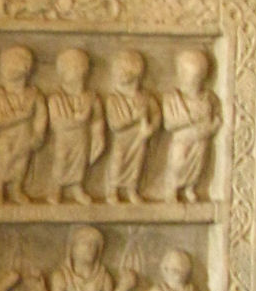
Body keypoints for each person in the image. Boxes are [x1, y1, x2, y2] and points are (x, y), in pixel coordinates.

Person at [0, 45, 48, 204]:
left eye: (13, 64)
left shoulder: (33, 95)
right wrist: (21, 116)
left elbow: (41, 116)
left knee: (21, 164)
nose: (8, 69)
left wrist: (38, 134)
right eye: (6, 64)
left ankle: (16, 189)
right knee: (3, 161)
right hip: (5, 138)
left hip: (25, 136)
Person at [46, 48, 105, 205]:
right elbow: (56, 122)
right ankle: (56, 188)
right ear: (63, 72)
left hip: (82, 137)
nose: (79, 71)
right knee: (61, 160)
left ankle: (76, 187)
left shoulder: (91, 97)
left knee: (80, 162)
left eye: (81, 67)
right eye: (73, 67)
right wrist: (79, 120)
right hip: (64, 138)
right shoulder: (56, 98)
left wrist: (99, 135)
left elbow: (98, 119)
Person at [162, 49, 221, 203]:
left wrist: (213, 125)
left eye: (197, 77)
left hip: (202, 138)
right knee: (178, 163)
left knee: (198, 165)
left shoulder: (208, 97)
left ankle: (190, 188)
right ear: (181, 74)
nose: (194, 81)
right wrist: (191, 119)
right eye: (190, 75)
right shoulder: (172, 98)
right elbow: (169, 124)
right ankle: (172, 188)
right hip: (182, 139)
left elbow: (216, 116)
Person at [103, 48, 161, 204]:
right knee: (118, 162)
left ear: (135, 73)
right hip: (122, 140)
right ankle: (113, 190)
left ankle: (131, 190)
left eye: (122, 70)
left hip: (140, 138)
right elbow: (114, 125)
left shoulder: (145, 97)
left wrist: (152, 127)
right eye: (117, 70)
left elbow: (156, 114)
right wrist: (134, 118)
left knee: (137, 165)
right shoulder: (114, 99)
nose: (117, 74)